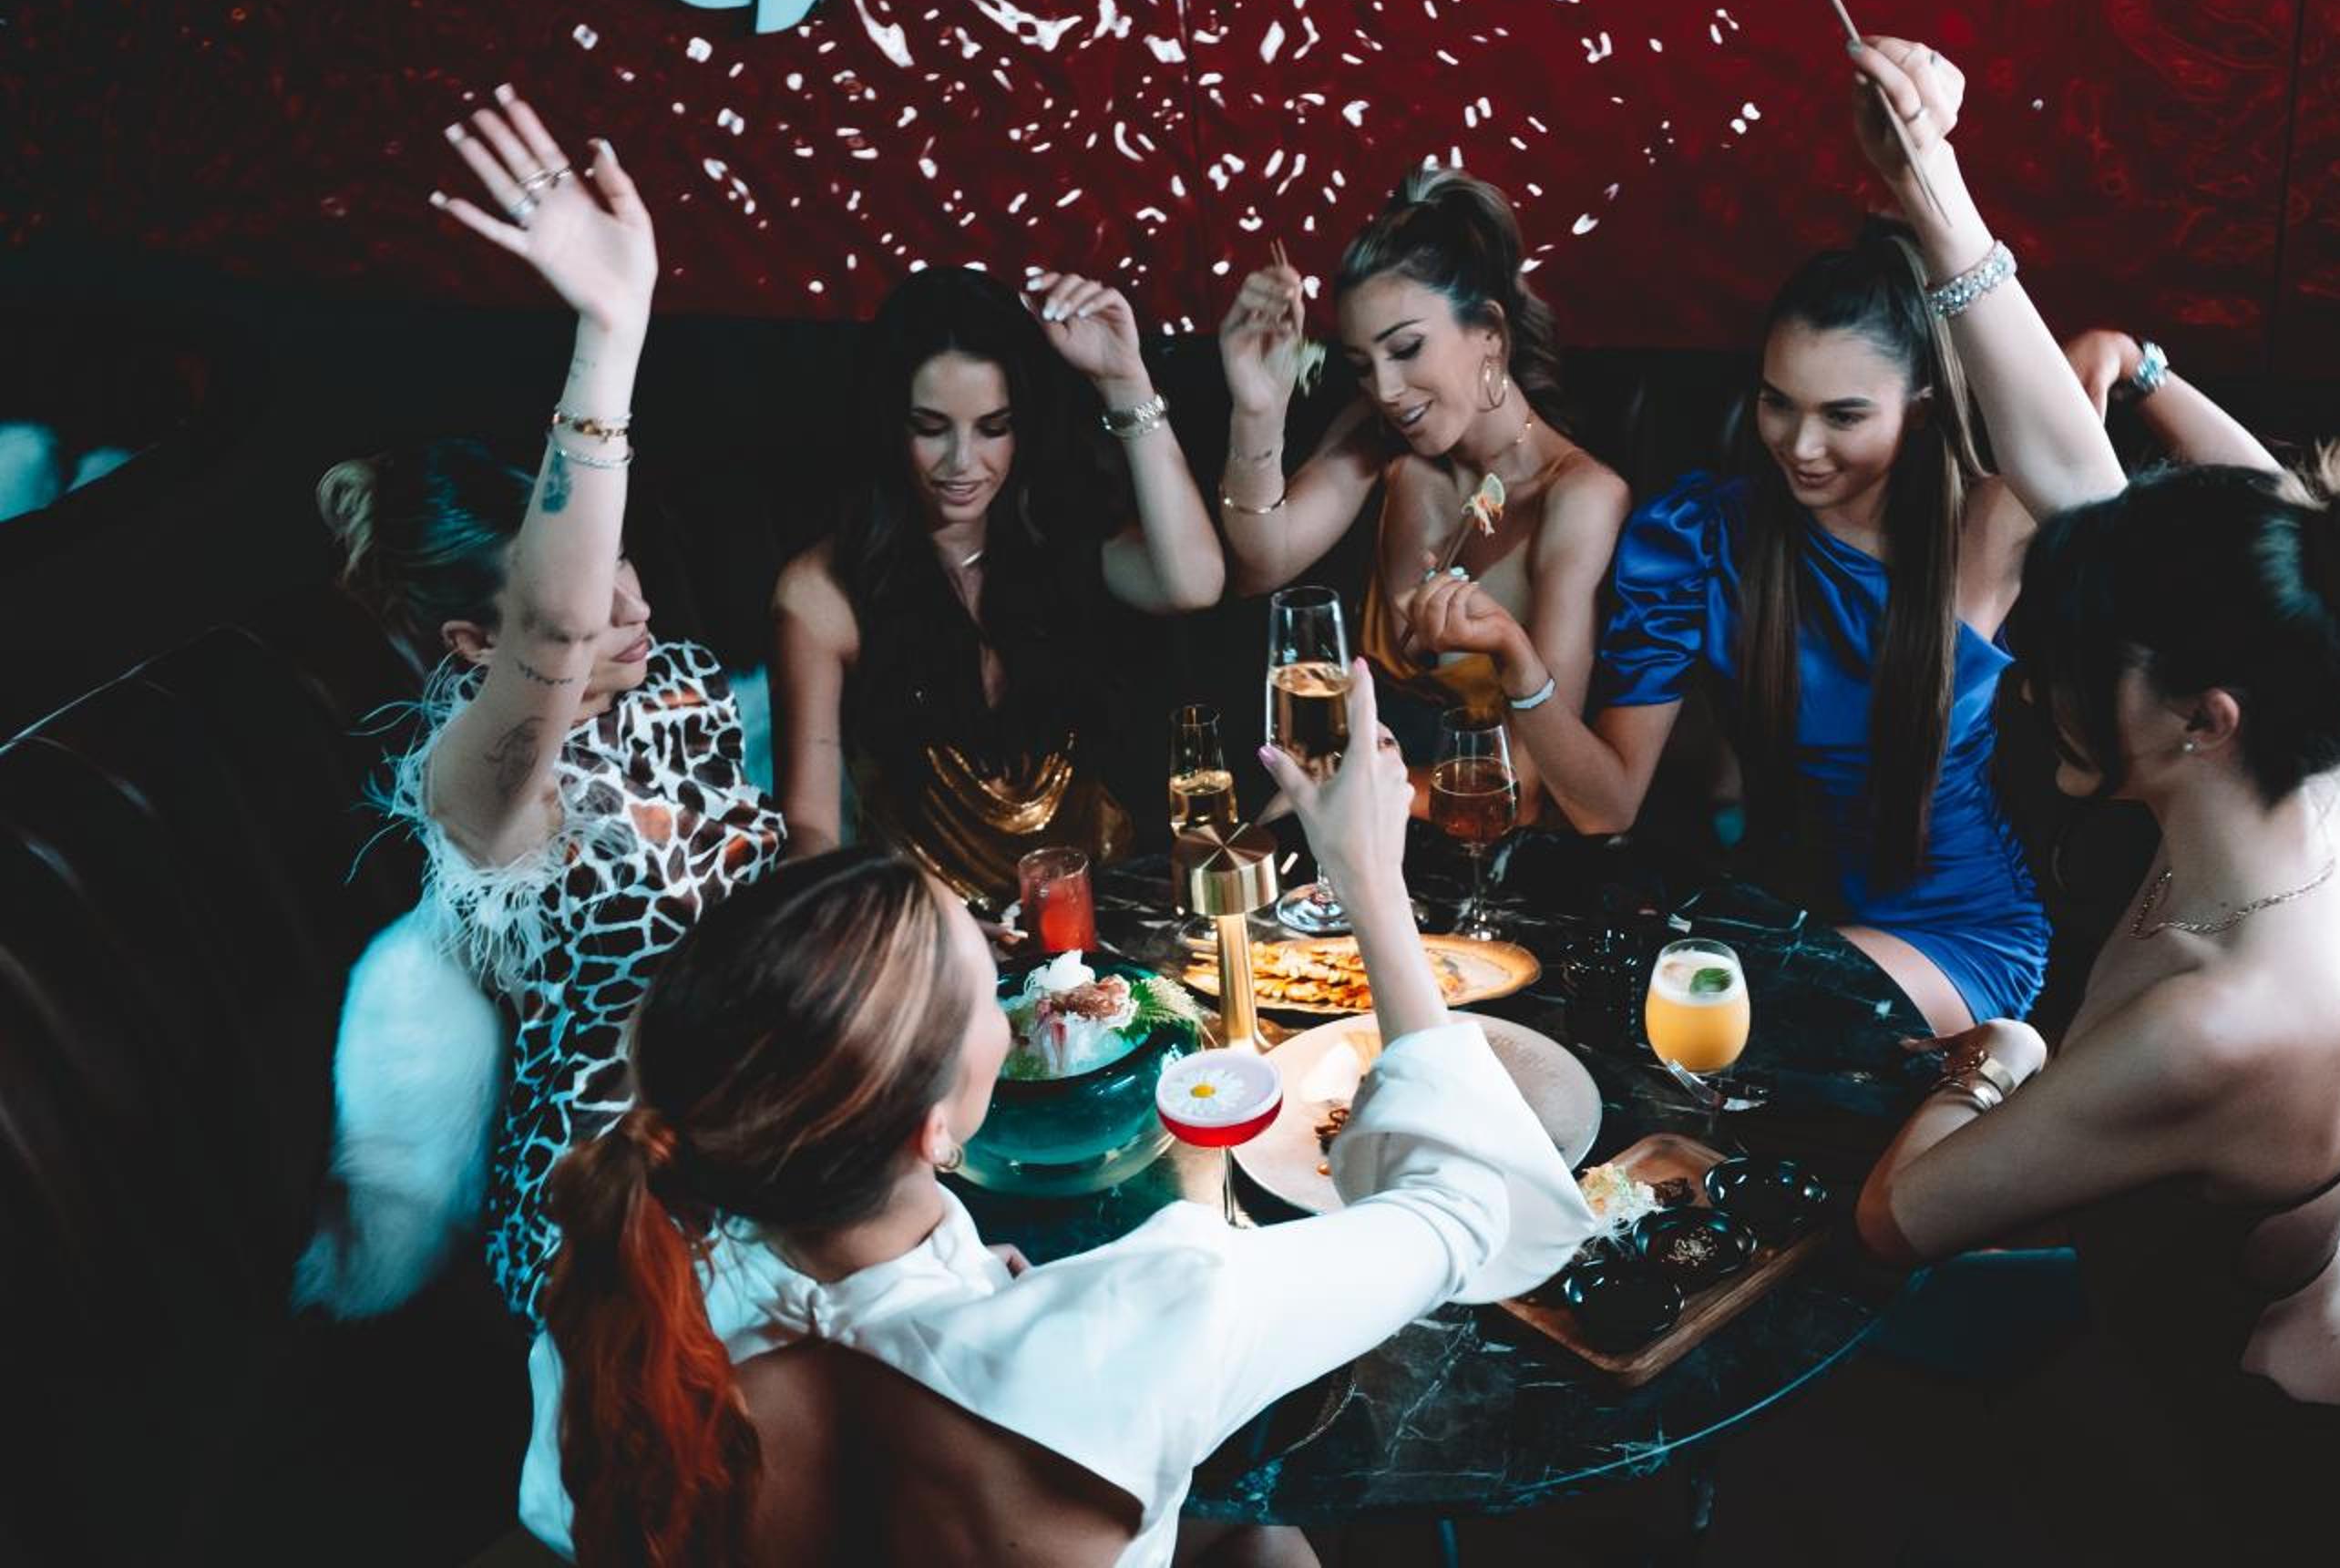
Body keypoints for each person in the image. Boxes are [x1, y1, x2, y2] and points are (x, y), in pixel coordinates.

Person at [522, 662, 1596, 1566]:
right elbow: (1466, 1203)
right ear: (935, 1131)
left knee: (1257, 1535)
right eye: (982, 992)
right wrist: (1371, 881)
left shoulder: (617, 1333)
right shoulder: (1141, 1318)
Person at [1402, 36, 2256, 1035]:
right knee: (1625, 1006)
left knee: (1735, 1020)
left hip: (1958, 937)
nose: (1800, 447)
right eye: (1777, 403)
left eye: (1844, 415)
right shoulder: (1697, 536)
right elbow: (1605, 806)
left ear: (1920, 407)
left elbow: (2256, 515)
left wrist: (2134, 365)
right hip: (1779, 922)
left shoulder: (1986, 521)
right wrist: (1518, 661)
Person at [1851, 436, 2340, 1563]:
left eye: (2075, 662)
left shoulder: (2213, 1027)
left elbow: (1895, 1220)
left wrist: (2000, 1054)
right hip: (2188, 1341)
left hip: (2255, 1461)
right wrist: (2087, 345)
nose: (2034, 683)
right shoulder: (2302, 803)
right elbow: (2273, 565)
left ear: (2206, 719)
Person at [317, 86, 783, 1323]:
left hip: (780, 1120)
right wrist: (608, 334)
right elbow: (559, 631)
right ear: (482, 642)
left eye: (613, 554)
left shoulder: (681, 680)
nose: (619, 599)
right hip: (622, 1206)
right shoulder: (475, 784)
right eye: (570, 585)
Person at [770, 265, 1226, 905]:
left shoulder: (1060, 533)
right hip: (936, 933)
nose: (963, 463)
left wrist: (1125, 380)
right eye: (931, 428)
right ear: (889, 423)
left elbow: (1194, 583)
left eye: (993, 427)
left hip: (1107, 916)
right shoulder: (821, 590)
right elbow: (810, 828)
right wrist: (888, 923)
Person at [1211, 170, 1629, 803]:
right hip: (1367, 805)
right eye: (1361, 365)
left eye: (1406, 349)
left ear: (1490, 332)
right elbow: (1259, 565)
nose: (1384, 389)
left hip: (1483, 823)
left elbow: (1530, 782)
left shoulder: (1579, 498)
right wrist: (1257, 410)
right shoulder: (1382, 438)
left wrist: (1338, 800)